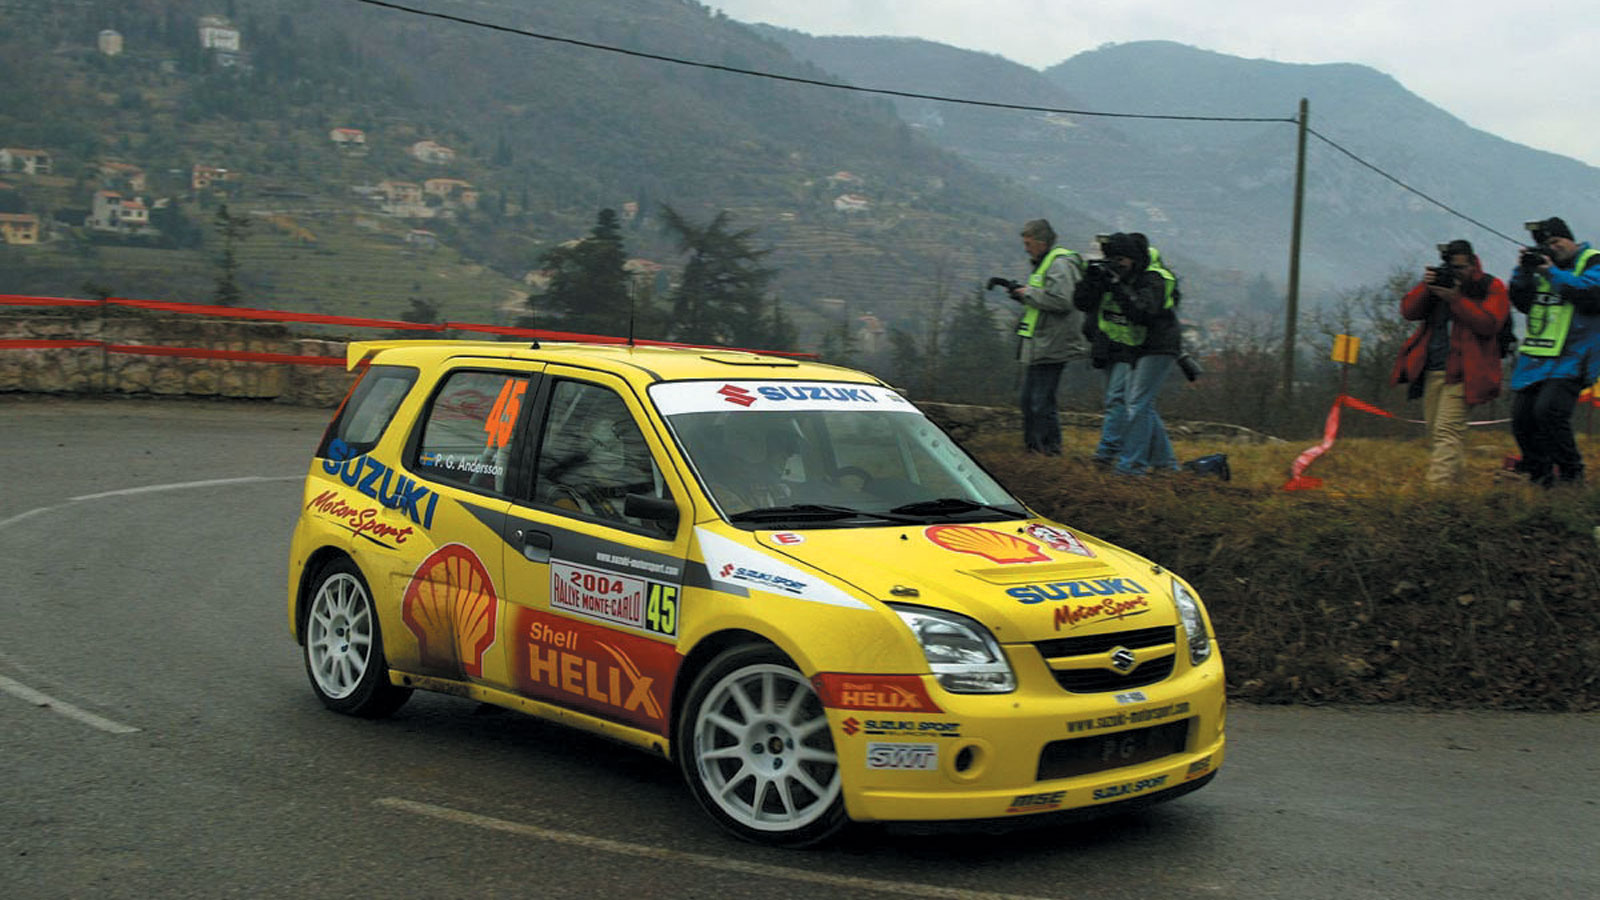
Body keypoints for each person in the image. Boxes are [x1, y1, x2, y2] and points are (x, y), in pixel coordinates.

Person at [1389, 239, 1510, 485]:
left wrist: (1456, 299)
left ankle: (1436, 494)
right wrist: (1428, 285)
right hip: (1433, 369)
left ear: (1472, 264)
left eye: (1460, 268)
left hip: (1466, 372)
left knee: (1447, 432)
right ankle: (1457, 492)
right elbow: (1408, 311)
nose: (1456, 273)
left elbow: (1489, 324)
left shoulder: (1490, 286)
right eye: (1451, 268)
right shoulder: (1436, 286)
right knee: (1439, 436)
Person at [1075, 232, 1180, 475]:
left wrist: (1116, 284)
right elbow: (1082, 303)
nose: (1117, 265)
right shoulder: (1126, 276)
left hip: (1159, 345)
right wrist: (1092, 280)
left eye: (1121, 260)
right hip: (1135, 346)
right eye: (1112, 259)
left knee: (1135, 403)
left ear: (1133, 259)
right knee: (1141, 405)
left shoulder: (1154, 277)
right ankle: (1166, 465)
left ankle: (1132, 466)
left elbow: (1142, 312)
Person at [1506, 217, 1600, 487]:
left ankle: (1572, 477)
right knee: (1523, 419)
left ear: (1571, 239)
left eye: (1556, 241)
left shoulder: (1593, 261)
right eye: (1547, 244)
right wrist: (1523, 272)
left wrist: (1552, 273)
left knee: (1549, 412)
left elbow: (1592, 297)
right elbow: (1523, 303)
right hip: (1538, 358)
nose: (1553, 248)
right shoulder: (1541, 266)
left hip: (1576, 358)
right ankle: (1540, 479)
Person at [1005, 219, 1084, 455]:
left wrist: (1028, 294)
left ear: (1041, 242)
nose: (1026, 248)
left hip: (1052, 344)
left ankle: (1046, 450)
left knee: (1040, 402)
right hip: (1040, 344)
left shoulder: (1059, 264)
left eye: (1028, 243)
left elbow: (1062, 301)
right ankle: (1036, 449)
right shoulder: (1047, 263)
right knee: (1031, 401)